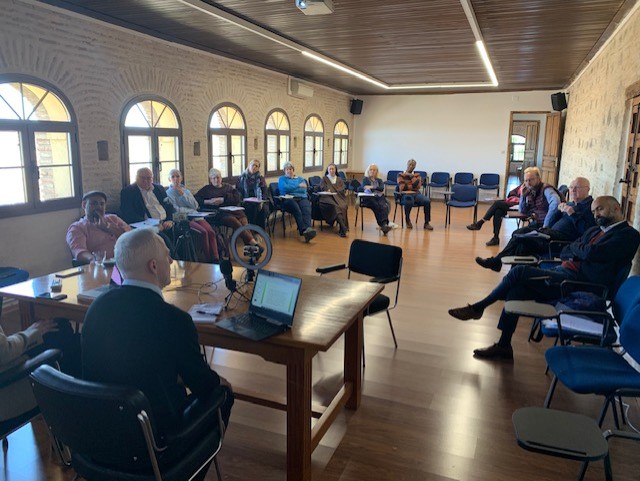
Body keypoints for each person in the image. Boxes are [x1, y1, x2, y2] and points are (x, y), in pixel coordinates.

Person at [82, 229, 233, 479]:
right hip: (156, 444)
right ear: (153, 266)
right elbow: (203, 386)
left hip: (101, 437)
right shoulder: (175, 320)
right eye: (167, 255)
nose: (171, 261)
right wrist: (220, 383)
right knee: (223, 394)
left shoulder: (96, 309)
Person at [448, 196, 640, 361]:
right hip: (565, 273)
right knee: (517, 290)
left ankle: (479, 307)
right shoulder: (594, 231)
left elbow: (591, 253)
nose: (596, 214)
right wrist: (581, 250)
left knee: (519, 272)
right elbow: (569, 249)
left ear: (616, 208)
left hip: (580, 285)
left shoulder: (628, 235)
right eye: (594, 211)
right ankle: (504, 345)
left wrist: (580, 250)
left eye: (600, 209)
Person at [475, 177, 595, 271]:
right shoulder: (572, 203)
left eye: (577, 187)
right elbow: (526, 210)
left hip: (558, 241)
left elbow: (586, 231)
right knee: (520, 242)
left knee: (519, 235)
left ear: (587, 189)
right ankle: (512, 279)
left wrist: (571, 214)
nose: (573, 190)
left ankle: (497, 263)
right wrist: (560, 210)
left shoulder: (590, 208)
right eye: (571, 187)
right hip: (549, 233)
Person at [1, 318, 81, 422]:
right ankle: (77, 419)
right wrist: (29, 334)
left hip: (6, 368)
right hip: (7, 385)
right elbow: (4, 353)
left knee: (61, 328)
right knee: (70, 341)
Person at [193, 168, 263, 253]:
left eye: (218, 177)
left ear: (221, 178)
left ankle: (252, 250)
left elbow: (237, 197)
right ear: (210, 179)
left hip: (234, 211)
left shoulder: (227, 187)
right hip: (220, 214)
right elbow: (196, 199)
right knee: (234, 221)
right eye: (214, 178)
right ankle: (254, 245)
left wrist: (223, 199)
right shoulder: (207, 189)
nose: (216, 180)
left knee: (244, 222)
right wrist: (209, 201)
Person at [166, 169, 219, 263]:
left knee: (211, 231)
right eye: (173, 177)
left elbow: (195, 205)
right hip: (183, 218)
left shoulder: (185, 190)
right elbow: (176, 209)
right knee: (203, 232)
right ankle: (208, 259)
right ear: (169, 179)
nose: (176, 179)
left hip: (196, 215)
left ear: (181, 178)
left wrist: (183, 195)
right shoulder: (168, 193)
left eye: (178, 176)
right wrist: (190, 210)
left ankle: (216, 258)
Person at [66, 191, 131, 265]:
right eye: (94, 203)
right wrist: (94, 259)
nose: (99, 207)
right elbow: (79, 251)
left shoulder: (113, 219)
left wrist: (109, 228)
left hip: (125, 262)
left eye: (102, 204)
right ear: (84, 205)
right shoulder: (77, 228)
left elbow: (131, 238)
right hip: (101, 266)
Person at [277, 162, 317, 242]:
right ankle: (303, 231)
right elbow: (284, 188)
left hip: (301, 197)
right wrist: (297, 186)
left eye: (290, 169)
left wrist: (292, 188)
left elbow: (303, 190)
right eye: (287, 169)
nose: (289, 171)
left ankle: (308, 230)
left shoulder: (300, 179)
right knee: (297, 209)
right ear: (284, 170)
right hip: (288, 199)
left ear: (293, 170)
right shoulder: (282, 179)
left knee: (307, 209)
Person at [396, 159, 433, 230]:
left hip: (416, 194)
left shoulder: (417, 175)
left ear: (415, 166)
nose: (411, 166)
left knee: (427, 201)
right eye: (410, 164)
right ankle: (407, 219)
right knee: (409, 201)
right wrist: (413, 185)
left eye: (413, 165)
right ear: (407, 164)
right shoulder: (400, 174)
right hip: (405, 195)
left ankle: (427, 223)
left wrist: (411, 176)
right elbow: (402, 187)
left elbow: (418, 186)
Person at [236, 159, 269, 229]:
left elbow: (265, 191)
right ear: (249, 166)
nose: (254, 167)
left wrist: (261, 200)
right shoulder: (241, 178)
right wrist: (243, 199)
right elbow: (238, 192)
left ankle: (260, 233)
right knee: (252, 209)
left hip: (259, 202)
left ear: (258, 168)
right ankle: (252, 232)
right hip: (245, 201)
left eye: (256, 166)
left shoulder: (260, 178)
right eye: (253, 165)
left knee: (262, 210)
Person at [360, 163, 393, 235]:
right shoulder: (365, 179)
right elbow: (364, 187)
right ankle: (383, 225)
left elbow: (381, 188)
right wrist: (373, 188)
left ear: (377, 171)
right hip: (369, 198)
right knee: (377, 206)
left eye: (374, 170)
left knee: (384, 206)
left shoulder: (379, 180)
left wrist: (372, 187)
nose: (372, 171)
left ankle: (384, 225)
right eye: (371, 170)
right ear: (368, 171)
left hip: (379, 196)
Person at [318, 163, 350, 237]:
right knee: (336, 207)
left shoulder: (339, 179)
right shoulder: (324, 179)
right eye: (330, 169)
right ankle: (343, 227)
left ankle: (342, 228)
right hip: (327, 198)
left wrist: (333, 190)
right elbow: (323, 188)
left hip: (339, 197)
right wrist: (330, 190)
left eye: (333, 169)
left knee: (343, 206)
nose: (332, 170)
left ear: (335, 170)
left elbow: (342, 189)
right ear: (328, 170)